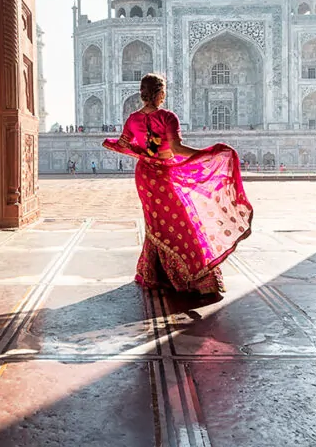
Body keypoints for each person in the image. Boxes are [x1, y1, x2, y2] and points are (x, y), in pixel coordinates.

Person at [102, 73, 253, 296]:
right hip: (163, 172)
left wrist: (143, 154)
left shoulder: (133, 119)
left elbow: (124, 144)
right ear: (161, 93)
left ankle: (155, 273)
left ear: (143, 93)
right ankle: (193, 274)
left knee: (157, 223)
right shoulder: (167, 117)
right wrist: (206, 154)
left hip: (145, 175)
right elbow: (177, 149)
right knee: (181, 219)